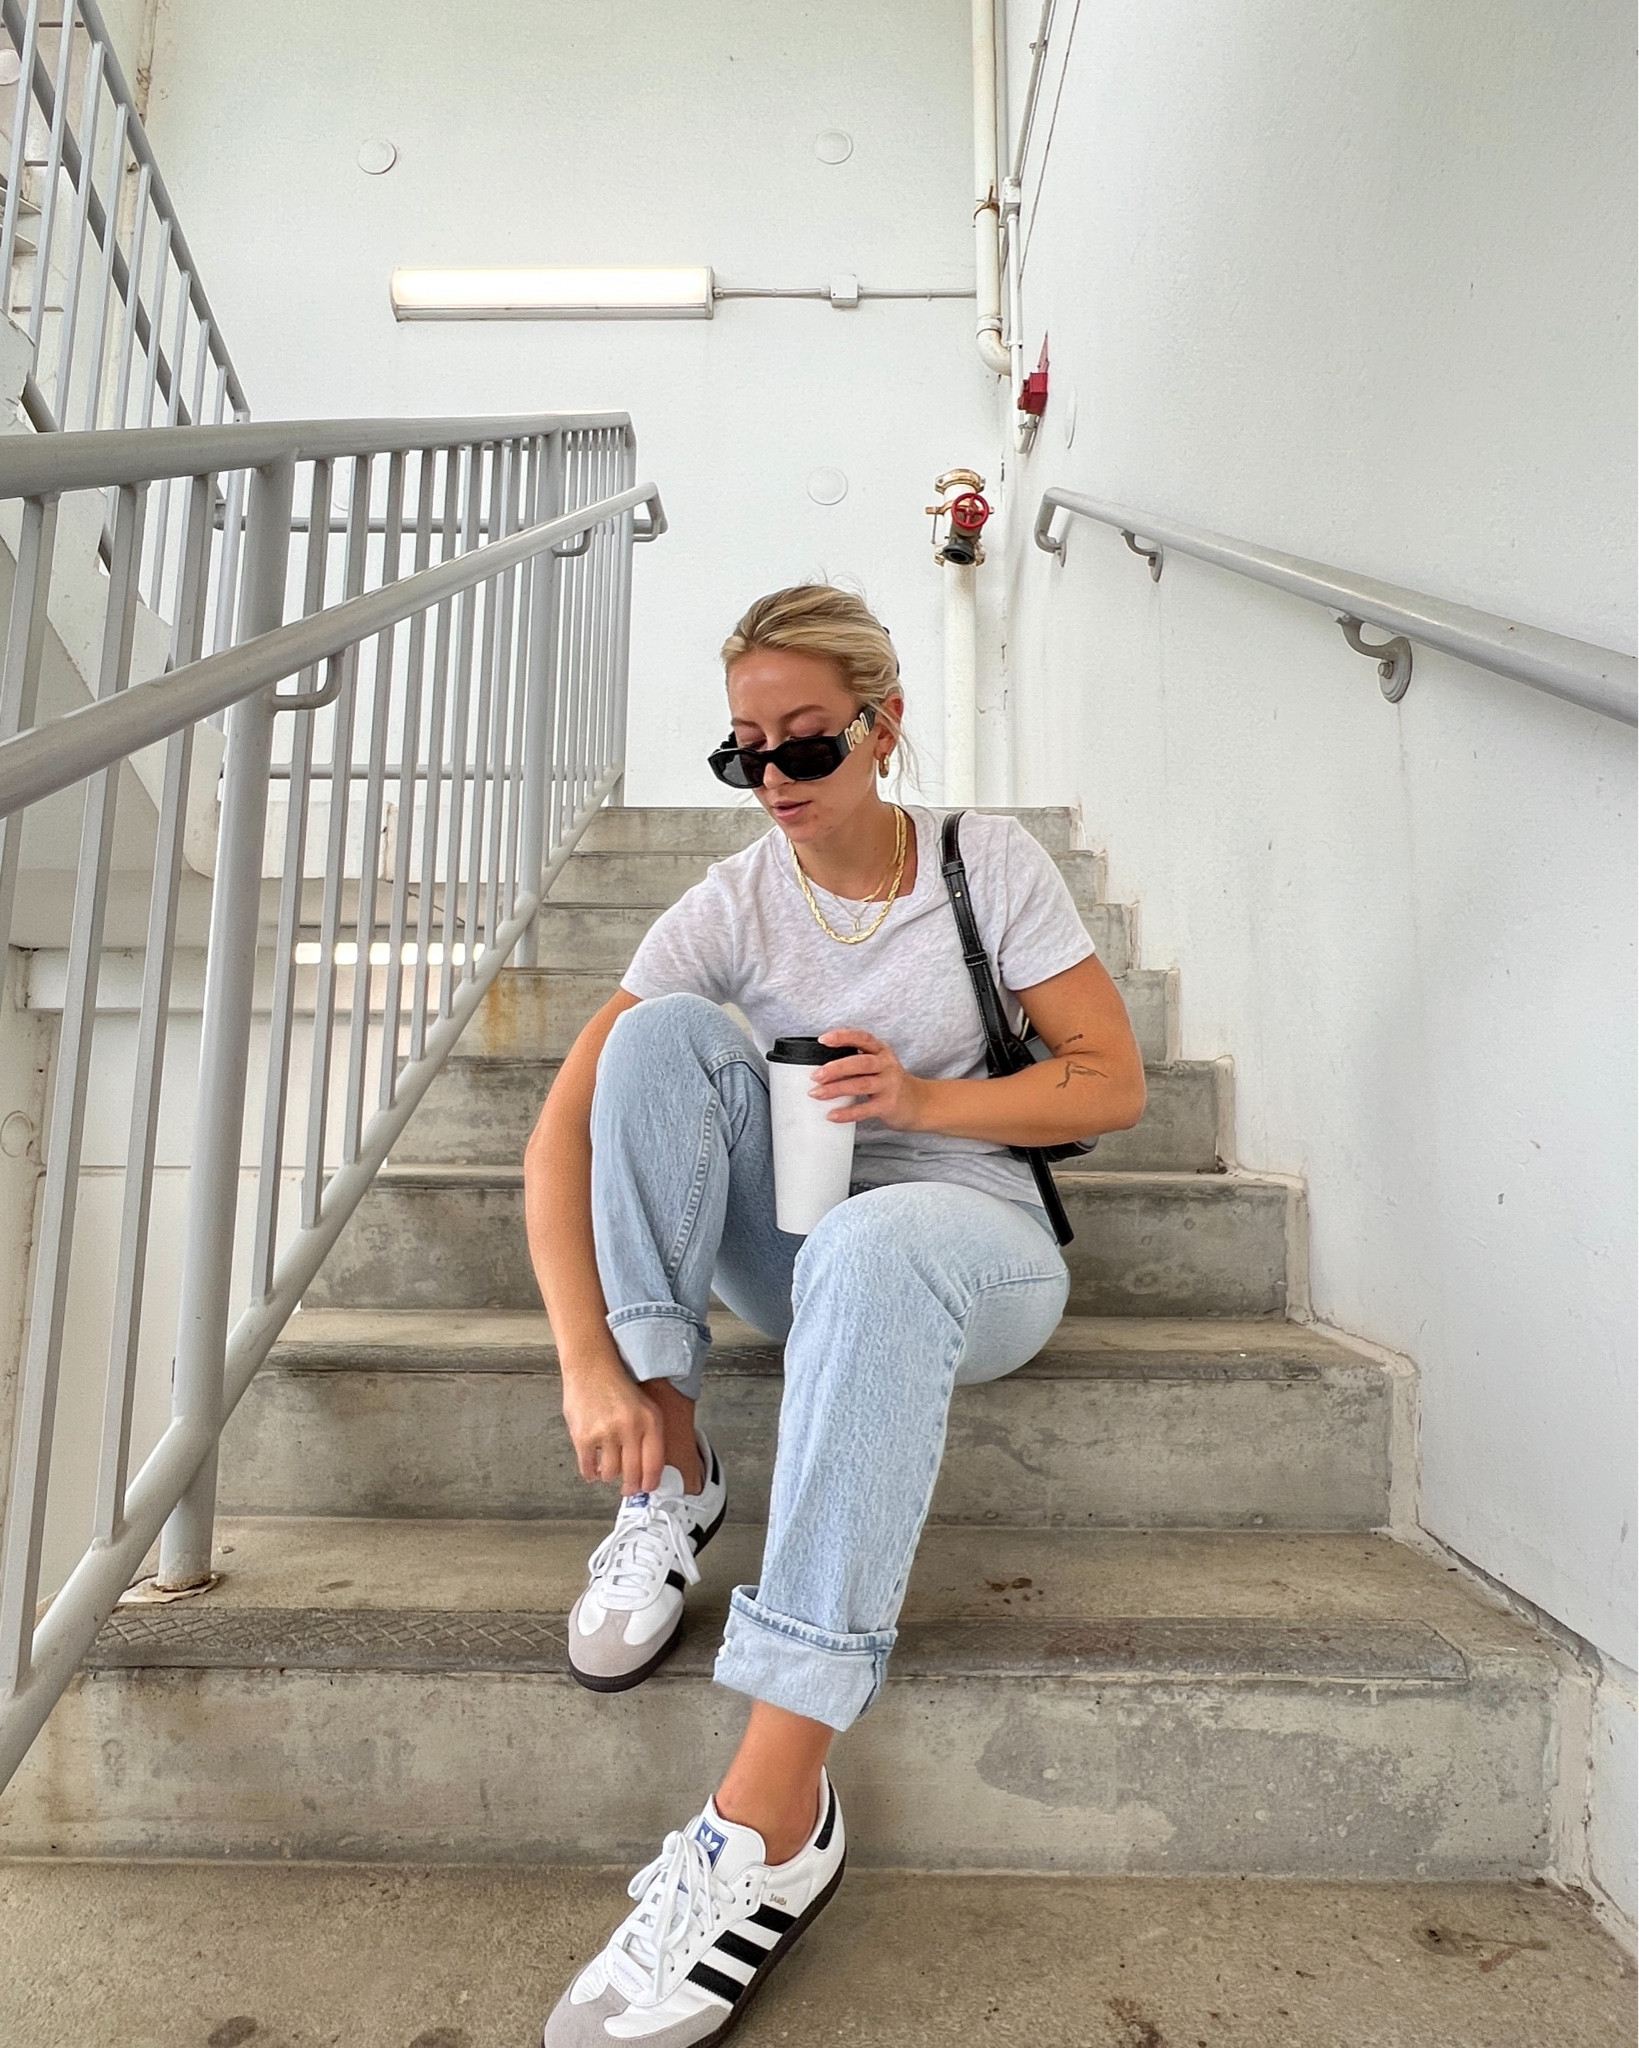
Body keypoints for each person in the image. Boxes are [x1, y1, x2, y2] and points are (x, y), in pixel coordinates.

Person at [525, 584, 1146, 2047]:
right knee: (659, 1042)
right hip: (803, 1251)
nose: (776, 783)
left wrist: (923, 1100)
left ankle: (771, 1815)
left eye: (805, 745)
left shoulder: (986, 867)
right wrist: (592, 1368)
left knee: (874, 1240)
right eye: (744, 754)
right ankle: (673, 1473)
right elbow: (567, 1134)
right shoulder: (733, 902)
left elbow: (1109, 1080)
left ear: (883, 725)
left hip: (970, 1241)